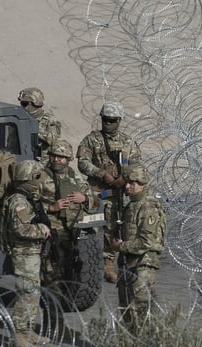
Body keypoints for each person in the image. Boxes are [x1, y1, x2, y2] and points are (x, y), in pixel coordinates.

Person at [77, 101, 142, 283]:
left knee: (117, 227)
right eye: (105, 120)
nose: (108, 123)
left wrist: (125, 176)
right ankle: (90, 263)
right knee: (92, 226)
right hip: (98, 193)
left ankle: (111, 264)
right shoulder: (92, 140)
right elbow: (83, 162)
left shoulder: (128, 142)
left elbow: (137, 165)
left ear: (119, 120)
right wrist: (101, 173)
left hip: (120, 193)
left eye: (112, 120)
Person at [0, 160, 52, 347]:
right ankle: (19, 334)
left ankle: (28, 330)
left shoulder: (27, 197)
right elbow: (21, 229)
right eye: (36, 177)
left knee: (33, 293)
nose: (40, 181)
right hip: (24, 254)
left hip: (31, 253)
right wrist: (41, 229)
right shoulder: (19, 202)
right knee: (26, 293)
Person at [109, 164, 166, 333]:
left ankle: (147, 346)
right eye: (126, 182)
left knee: (142, 309)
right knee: (127, 308)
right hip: (129, 262)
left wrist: (121, 246)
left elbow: (147, 241)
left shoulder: (147, 206)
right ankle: (133, 345)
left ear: (142, 183)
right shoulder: (131, 205)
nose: (127, 186)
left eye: (132, 183)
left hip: (143, 263)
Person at [39, 140, 97, 290]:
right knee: (52, 269)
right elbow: (28, 204)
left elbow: (96, 203)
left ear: (68, 159)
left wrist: (84, 199)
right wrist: (51, 207)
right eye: (54, 156)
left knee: (71, 267)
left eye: (61, 157)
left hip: (72, 229)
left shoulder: (75, 178)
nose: (56, 160)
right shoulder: (41, 177)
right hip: (50, 230)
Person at [18, 88, 63, 162]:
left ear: (33, 104)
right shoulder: (20, 118)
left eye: (24, 104)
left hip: (43, 160)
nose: (22, 107)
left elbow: (52, 140)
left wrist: (32, 128)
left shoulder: (50, 120)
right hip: (23, 157)